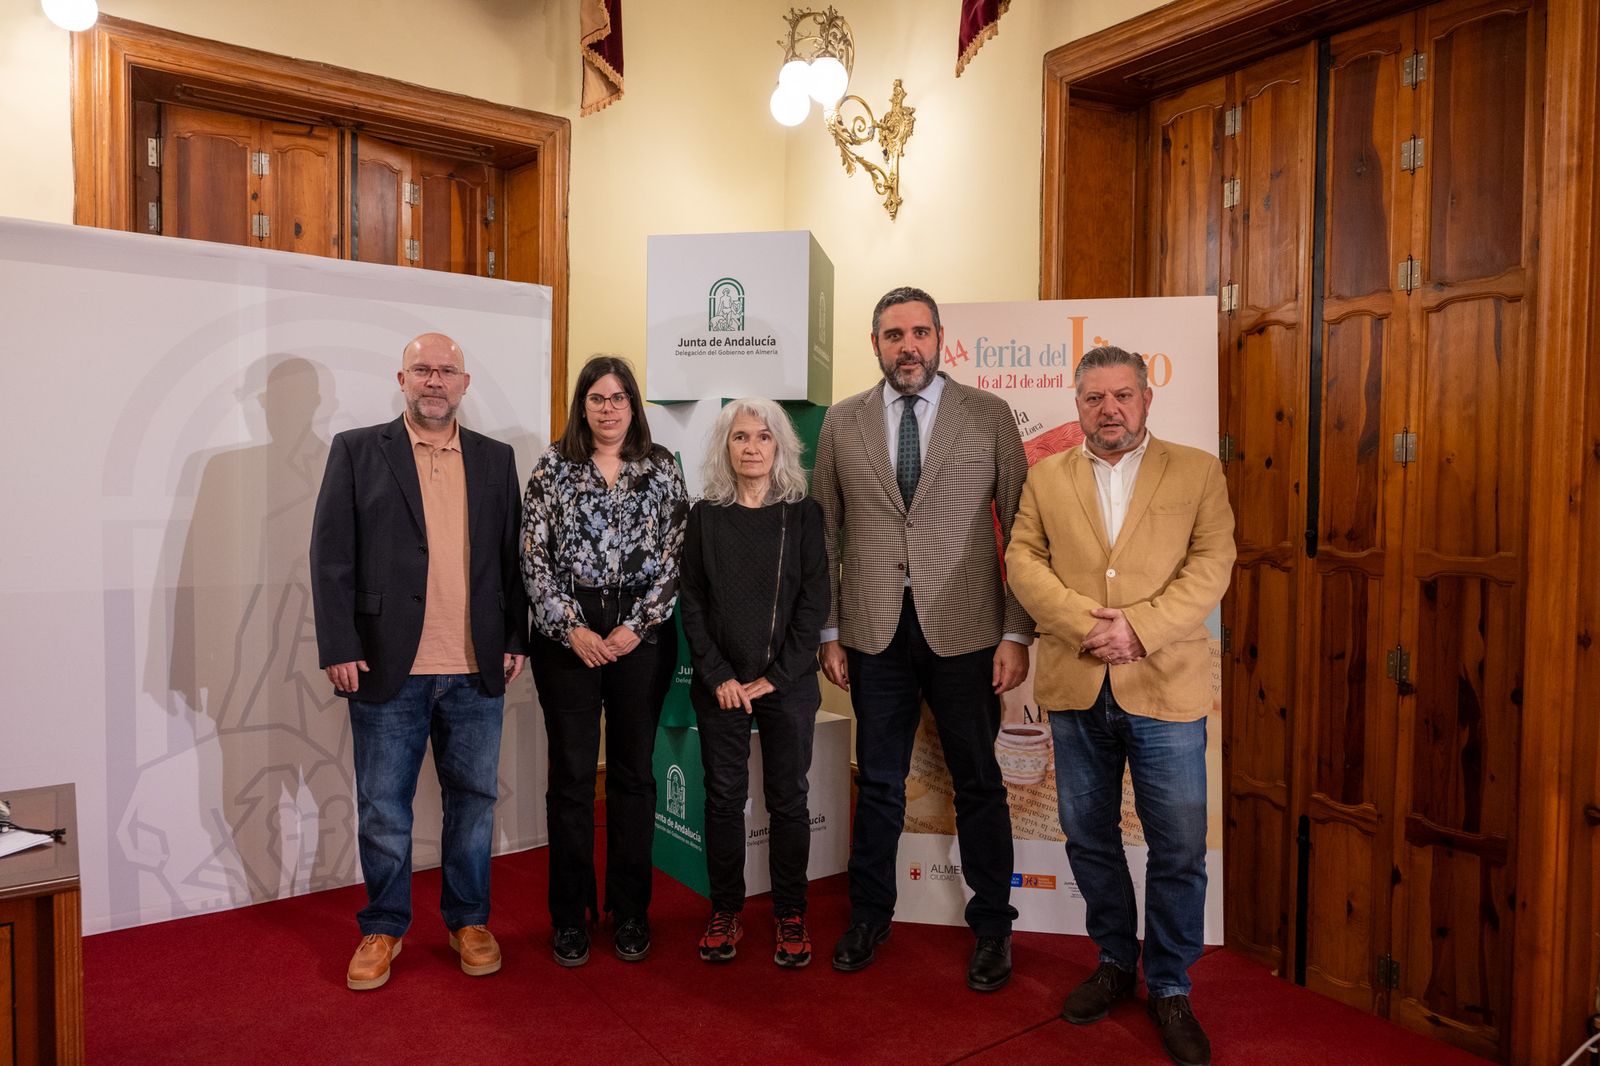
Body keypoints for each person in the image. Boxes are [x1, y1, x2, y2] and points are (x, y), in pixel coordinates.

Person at [1004, 345, 1235, 1066]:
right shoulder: (1046, 478)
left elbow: (1213, 563)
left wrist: (1140, 627)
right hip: (1077, 687)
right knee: (1088, 836)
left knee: (1176, 847)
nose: (1110, 409)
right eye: (1095, 397)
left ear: (1145, 399)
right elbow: (1021, 560)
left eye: (1123, 396)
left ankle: (1168, 984)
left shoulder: (1197, 470)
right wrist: (1085, 624)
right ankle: (1113, 961)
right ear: (1077, 404)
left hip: (1165, 685)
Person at [811, 285, 1034, 992]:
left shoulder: (988, 415)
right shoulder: (842, 422)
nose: (907, 347)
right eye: (892, 335)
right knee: (877, 783)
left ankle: (993, 925)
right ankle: (870, 914)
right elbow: (825, 528)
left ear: (941, 337)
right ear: (874, 344)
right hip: (873, 633)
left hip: (969, 632)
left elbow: (1023, 525)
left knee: (978, 783)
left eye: (918, 333)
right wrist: (830, 629)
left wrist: (1016, 630)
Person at [310, 331, 530, 991]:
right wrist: (339, 644)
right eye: (422, 370)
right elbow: (330, 556)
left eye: (447, 371)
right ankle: (383, 927)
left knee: (473, 802)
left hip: (474, 667)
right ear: (400, 379)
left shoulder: (497, 459)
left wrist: (515, 635)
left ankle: (469, 919)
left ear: (464, 383)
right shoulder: (356, 451)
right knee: (384, 805)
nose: (435, 381)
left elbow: (512, 556)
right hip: (384, 664)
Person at [520, 355, 687, 967]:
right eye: (597, 398)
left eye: (619, 398)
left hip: (640, 640)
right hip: (568, 641)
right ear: (581, 405)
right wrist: (573, 628)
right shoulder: (551, 468)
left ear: (633, 404)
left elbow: (676, 556)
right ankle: (569, 916)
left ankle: (631, 910)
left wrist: (634, 627)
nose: (609, 408)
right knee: (569, 777)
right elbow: (532, 557)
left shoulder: (663, 467)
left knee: (633, 776)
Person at [679, 398, 829, 968]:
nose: (751, 447)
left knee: (789, 799)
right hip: (721, 688)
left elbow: (815, 601)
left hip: (785, 684)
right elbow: (690, 602)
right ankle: (726, 910)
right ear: (726, 447)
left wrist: (776, 677)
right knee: (723, 801)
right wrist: (718, 675)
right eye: (740, 437)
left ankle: (791, 913)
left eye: (763, 437)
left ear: (779, 447)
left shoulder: (804, 514)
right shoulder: (705, 516)